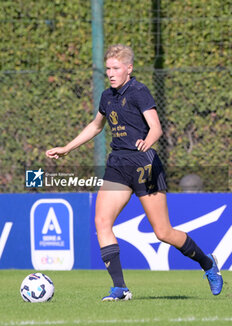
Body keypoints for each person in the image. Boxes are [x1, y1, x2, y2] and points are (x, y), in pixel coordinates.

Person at [46, 44, 223, 301]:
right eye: (108, 68)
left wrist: (147, 141)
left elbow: (156, 127)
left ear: (129, 68)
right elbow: (96, 126)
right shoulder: (107, 96)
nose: (111, 73)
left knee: (163, 232)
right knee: (102, 222)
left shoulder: (139, 91)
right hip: (118, 166)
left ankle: (208, 264)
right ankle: (120, 288)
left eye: (116, 68)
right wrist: (67, 147)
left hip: (144, 166)